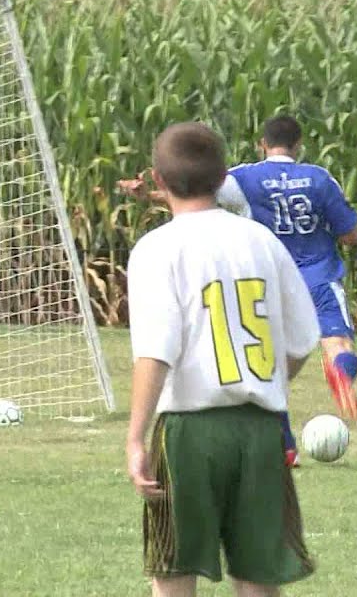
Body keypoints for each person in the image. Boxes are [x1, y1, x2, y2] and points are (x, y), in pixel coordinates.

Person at [125, 122, 320, 597]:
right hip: (260, 430)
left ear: (158, 179)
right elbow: (302, 339)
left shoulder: (157, 248)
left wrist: (135, 438)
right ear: (222, 177)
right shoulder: (262, 241)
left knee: (174, 568)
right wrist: (270, 385)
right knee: (258, 574)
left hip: (190, 432)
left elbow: (156, 351)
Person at [120, 115, 357, 464]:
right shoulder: (319, 178)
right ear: (299, 144)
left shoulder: (244, 178)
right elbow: (350, 231)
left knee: (269, 365)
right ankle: (341, 371)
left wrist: (150, 196)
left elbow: (195, 197)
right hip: (319, 277)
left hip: (268, 278)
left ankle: (285, 443)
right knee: (338, 343)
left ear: (262, 144)